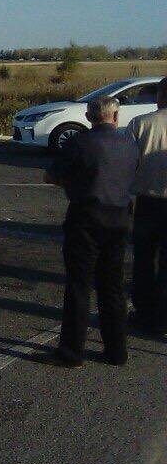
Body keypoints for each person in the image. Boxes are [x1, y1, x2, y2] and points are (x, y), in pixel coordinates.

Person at [45, 94, 139, 366]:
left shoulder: (79, 143)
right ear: (116, 116)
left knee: (79, 286)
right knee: (112, 287)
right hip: (118, 219)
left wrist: (72, 181)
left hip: (86, 218)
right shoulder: (129, 145)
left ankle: (72, 351)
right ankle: (116, 350)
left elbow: (50, 175)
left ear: (88, 117)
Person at [127, 77, 167, 335]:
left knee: (143, 259)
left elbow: (127, 163)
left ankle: (144, 313)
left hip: (148, 201)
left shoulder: (141, 124)